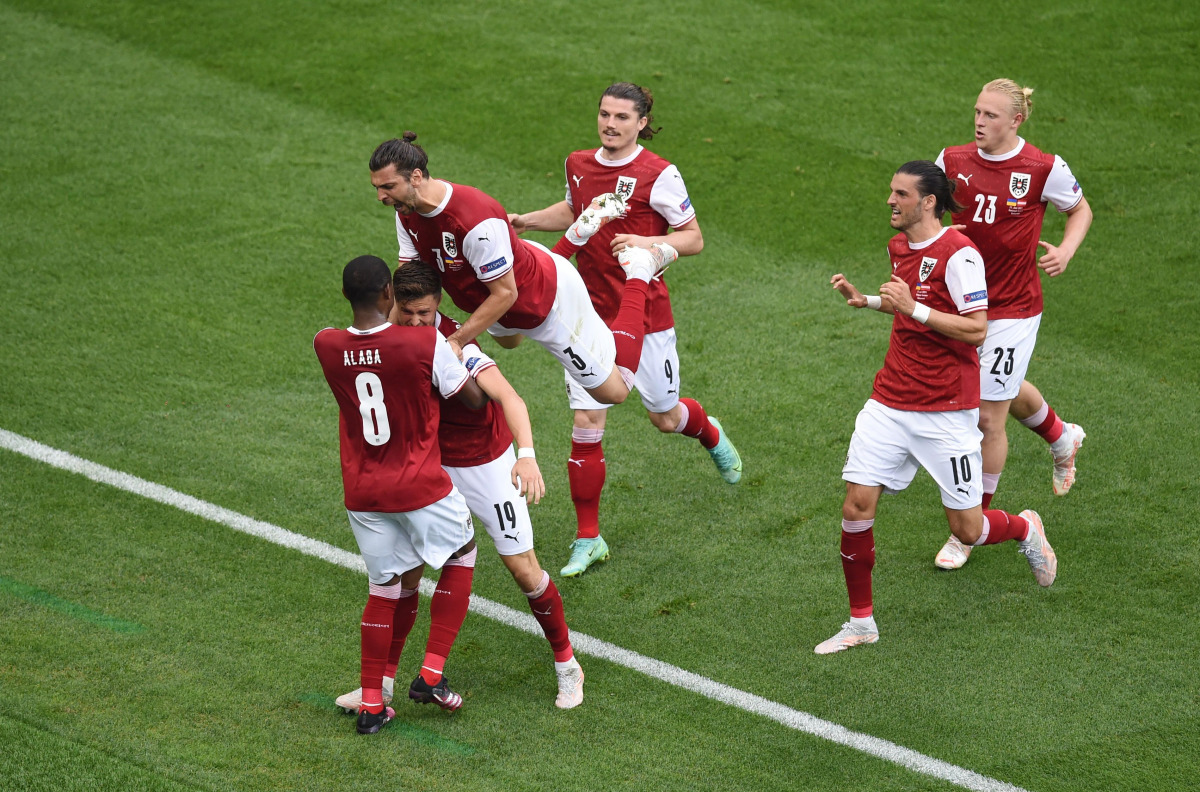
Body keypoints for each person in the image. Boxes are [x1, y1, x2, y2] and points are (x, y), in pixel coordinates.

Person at [818, 162, 1057, 655]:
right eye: (891, 191)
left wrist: (914, 308)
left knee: (968, 528)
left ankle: (1024, 527)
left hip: (946, 410)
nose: (890, 200)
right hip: (889, 401)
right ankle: (861, 622)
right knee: (856, 505)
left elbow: (977, 329)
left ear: (928, 202)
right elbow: (906, 303)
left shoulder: (960, 254)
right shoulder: (898, 246)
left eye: (901, 194)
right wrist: (867, 301)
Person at [508, 82, 742, 577]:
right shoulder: (577, 162)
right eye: (604, 114)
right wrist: (526, 220)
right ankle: (588, 537)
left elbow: (694, 238)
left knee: (665, 417)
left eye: (621, 117)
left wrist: (646, 241)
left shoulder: (659, 173)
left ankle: (709, 432)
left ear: (642, 122)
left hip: (646, 313)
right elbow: (573, 210)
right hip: (587, 315)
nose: (610, 124)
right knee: (587, 422)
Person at [335, 263, 585, 711]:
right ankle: (383, 686)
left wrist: (526, 455)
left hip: (484, 464)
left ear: (438, 307)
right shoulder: (384, 339)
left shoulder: (454, 342)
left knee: (523, 570)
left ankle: (567, 665)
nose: (416, 322)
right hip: (429, 468)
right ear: (392, 303)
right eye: (408, 312)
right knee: (406, 576)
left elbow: (508, 397)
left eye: (425, 313)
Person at [369, 133, 667, 411]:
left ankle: (639, 271)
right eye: (377, 188)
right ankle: (575, 235)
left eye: (388, 187)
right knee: (509, 341)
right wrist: (386, 338)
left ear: (416, 177)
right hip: (502, 285)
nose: (381, 197)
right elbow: (409, 285)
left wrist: (456, 341)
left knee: (614, 392)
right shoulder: (406, 211)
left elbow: (506, 294)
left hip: (546, 303)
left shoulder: (474, 221)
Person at [314, 255, 485, 733]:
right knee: (463, 554)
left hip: (364, 494)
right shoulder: (425, 342)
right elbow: (472, 399)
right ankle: (430, 674)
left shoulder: (325, 344)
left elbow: (366, 353)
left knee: (384, 589)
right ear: (389, 294)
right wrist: (463, 357)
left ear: (346, 296)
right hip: (419, 484)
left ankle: (372, 705)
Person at [932, 78, 1093, 570]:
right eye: (977, 112)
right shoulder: (951, 160)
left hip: (1013, 310)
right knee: (999, 386)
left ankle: (970, 527)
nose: (979, 122)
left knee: (987, 416)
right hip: (962, 305)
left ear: (1016, 120)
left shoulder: (1043, 168)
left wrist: (1066, 250)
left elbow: (1080, 209)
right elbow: (927, 210)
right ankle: (1061, 435)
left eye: (991, 115)